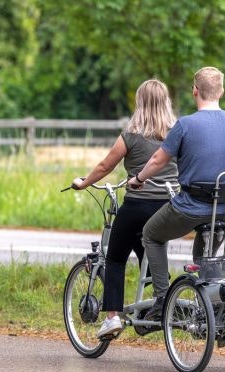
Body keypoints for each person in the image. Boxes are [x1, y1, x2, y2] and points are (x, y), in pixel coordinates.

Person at [128, 66, 225, 320]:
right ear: (222, 91)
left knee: (151, 234)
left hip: (192, 207)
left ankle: (162, 299)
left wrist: (138, 179)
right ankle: (213, 309)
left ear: (195, 91)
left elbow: (158, 160)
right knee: (203, 258)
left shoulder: (185, 125)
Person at [72, 79, 178, 338]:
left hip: (137, 206)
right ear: (166, 103)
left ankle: (112, 318)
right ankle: (154, 308)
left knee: (115, 258)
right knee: (149, 254)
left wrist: (83, 183)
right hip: (168, 207)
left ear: (139, 103)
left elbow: (105, 166)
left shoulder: (130, 135)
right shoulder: (177, 134)